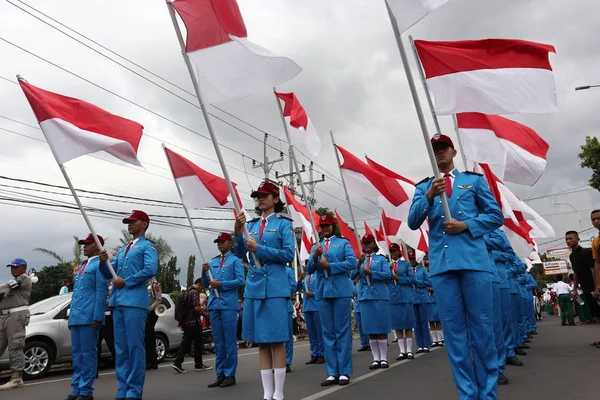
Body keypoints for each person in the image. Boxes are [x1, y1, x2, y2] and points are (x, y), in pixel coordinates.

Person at [408, 134, 503, 400]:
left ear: (453, 152)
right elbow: (413, 222)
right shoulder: (424, 186)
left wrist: (467, 226)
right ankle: (467, 395)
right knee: (455, 336)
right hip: (443, 267)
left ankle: (488, 395)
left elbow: (495, 215)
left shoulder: (473, 181)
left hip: (474, 263)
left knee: (483, 331)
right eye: (434, 150)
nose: (439, 153)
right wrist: (429, 195)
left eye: (443, 149)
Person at [233, 181, 295, 400]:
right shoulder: (251, 225)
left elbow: (288, 254)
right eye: (257, 196)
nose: (260, 199)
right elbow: (240, 253)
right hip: (255, 287)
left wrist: (260, 248)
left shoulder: (283, 224)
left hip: (276, 287)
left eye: (264, 195)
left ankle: (278, 393)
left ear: (275, 199)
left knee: (277, 340)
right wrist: (237, 230)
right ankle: (267, 393)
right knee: (262, 340)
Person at [99, 210, 158, 400]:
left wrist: (127, 281)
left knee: (134, 347)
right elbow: (109, 272)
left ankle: (134, 391)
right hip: (118, 301)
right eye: (128, 222)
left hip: (135, 301)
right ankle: (122, 390)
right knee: (121, 348)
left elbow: (151, 269)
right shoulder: (124, 248)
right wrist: (103, 262)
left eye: (133, 221)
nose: (129, 224)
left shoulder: (148, 246)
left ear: (144, 224)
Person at [308, 213, 356, 387]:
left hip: (340, 291)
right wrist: (315, 257)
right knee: (327, 332)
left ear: (333, 226)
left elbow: (351, 262)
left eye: (328, 225)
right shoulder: (316, 246)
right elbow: (309, 269)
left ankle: (343, 371)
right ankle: (332, 372)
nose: (325, 228)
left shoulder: (343, 243)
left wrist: (332, 266)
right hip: (322, 292)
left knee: (341, 332)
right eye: (322, 226)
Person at [67, 234, 109, 400]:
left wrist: (98, 316)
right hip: (77, 316)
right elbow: (75, 294)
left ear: (98, 246)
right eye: (83, 244)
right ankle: (76, 388)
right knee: (76, 354)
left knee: (88, 354)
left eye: (88, 244)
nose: (84, 246)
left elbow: (101, 292)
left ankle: (86, 390)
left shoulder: (100, 264)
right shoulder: (83, 265)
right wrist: (71, 317)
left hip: (89, 316)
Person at [203, 232, 245, 388]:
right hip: (214, 305)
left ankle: (230, 374)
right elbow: (206, 283)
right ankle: (220, 373)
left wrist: (221, 284)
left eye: (222, 241)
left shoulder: (235, 261)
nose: (219, 244)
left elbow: (240, 281)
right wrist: (204, 271)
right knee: (218, 342)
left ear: (230, 242)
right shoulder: (213, 261)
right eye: (218, 242)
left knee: (229, 341)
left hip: (228, 304)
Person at [484, 229, 523, 369]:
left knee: (504, 319)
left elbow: (510, 255)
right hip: (476, 278)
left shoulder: (494, 231)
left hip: (499, 280)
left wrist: (489, 252)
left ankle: (508, 352)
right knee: (485, 322)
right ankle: (489, 358)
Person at [356, 234, 391, 370]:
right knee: (370, 329)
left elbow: (387, 275)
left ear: (374, 244)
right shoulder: (360, 260)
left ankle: (383, 358)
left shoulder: (381, 259)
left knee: (380, 327)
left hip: (379, 295)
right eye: (364, 243)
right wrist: (359, 264)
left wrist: (372, 273)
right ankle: (375, 359)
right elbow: (353, 275)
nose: (366, 245)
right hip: (365, 297)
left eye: (368, 242)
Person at [0, 258, 32, 391]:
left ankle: (16, 378)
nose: (13, 269)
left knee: (15, 346)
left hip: (16, 316)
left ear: (23, 268)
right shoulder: (12, 282)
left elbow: (6, 287)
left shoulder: (23, 278)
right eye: (11, 267)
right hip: (4, 315)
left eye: (15, 267)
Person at [172, 279, 212, 373]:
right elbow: (197, 308)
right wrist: (205, 314)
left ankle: (178, 362)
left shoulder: (186, 292)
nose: (201, 289)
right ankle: (197, 364)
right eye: (201, 287)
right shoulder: (194, 292)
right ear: (199, 284)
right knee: (197, 343)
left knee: (186, 341)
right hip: (193, 322)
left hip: (185, 322)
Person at [388, 243, 417, 360]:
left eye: (395, 251)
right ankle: (402, 351)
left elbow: (412, 279)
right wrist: (388, 273)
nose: (393, 253)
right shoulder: (387, 265)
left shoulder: (405, 265)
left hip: (405, 297)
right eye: (391, 251)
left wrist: (399, 278)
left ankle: (409, 350)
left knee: (408, 324)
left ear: (399, 252)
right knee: (398, 325)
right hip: (393, 298)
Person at [566, 231, 600, 327]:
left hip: (594, 286)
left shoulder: (586, 252)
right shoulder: (572, 256)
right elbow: (576, 272)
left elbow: (593, 270)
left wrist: (597, 286)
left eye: (571, 238)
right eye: (567, 239)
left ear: (578, 239)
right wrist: (575, 289)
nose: (568, 241)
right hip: (585, 288)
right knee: (595, 312)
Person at [297, 270, 325, 365]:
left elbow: (323, 290)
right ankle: (314, 354)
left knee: (319, 331)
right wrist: (300, 280)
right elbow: (296, 288)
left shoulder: (319, 275)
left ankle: (321, 354)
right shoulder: (305, 276)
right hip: (307, 307)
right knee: (311, 332)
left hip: (317, 306)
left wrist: (313, 294)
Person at [145, 277, 162, 370]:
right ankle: (151, 361)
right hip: (145, 311)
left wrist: (150, 308)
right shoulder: (145, 283)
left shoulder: (155, 284)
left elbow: (159, 299)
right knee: (148, 336)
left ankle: (151, 361)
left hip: (152, 312)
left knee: (148, 335)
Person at [284, 266, 297, 373]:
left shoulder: (288, 271)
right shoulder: (269, 268)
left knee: (288, 336)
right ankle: (276, 361)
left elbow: (293, 286)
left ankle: (287, 362)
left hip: (285, 305)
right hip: (272, 308)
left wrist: (279, 292)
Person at [353, 277, 370, 352]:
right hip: (357, 307)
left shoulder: (365, 283)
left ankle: (369, 343)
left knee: (366, 325)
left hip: (364, 306)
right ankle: (364, 344)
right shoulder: (356, 284)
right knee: (360, 327)